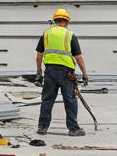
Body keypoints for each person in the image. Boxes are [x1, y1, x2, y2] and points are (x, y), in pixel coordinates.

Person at [34, 8, 89, 137]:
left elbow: (38, 56)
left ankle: (42, 127)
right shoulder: (70, 35)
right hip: (66, 73)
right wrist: (84, 74)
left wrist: (39, 72)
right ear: (66, 22)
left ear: (55, 21)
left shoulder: (46, 34)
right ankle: (73, 129)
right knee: (70, 100)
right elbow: (78, 57)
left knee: (47, 100)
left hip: (50, 71)